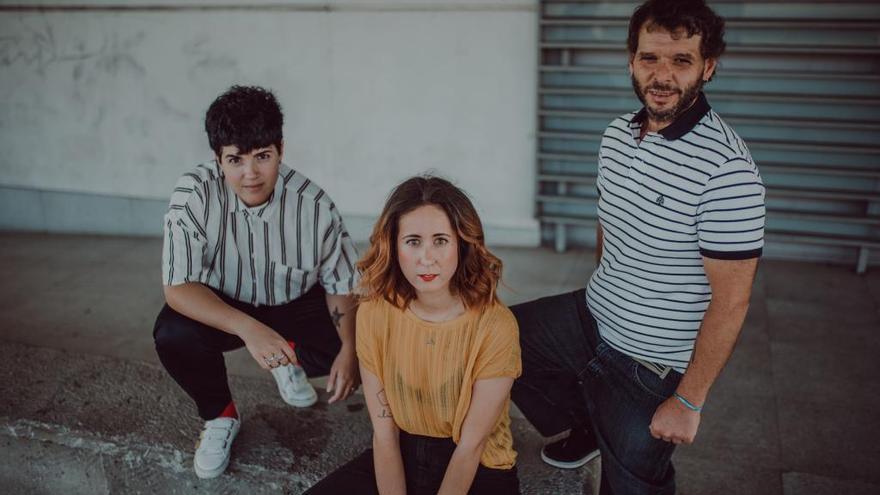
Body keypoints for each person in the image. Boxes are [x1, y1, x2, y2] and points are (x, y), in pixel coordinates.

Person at [511, 0, 765, 493]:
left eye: (681, 60)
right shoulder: (615, 136)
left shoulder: (728, 172)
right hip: (594, 315)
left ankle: (612, 424)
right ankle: (589, 425)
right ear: (631, 60)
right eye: (650, 58)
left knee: (631, 487)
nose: (662, 75)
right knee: (495, 339)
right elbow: (610, 227)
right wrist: (610, 291)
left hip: (650, 363)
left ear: (707, 67)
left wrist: (688, 402)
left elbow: (732, 301)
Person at [153, 85, 361, 479]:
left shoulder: (314, 206)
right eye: (235, 159)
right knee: (173, 333)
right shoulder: (193, 195)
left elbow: (341, 282)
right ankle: (220, 416)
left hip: (295, 303)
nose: (250, 174)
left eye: (262, 157)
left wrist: (350, 348)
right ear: (218, 158)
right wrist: (250, 331)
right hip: (227, 306)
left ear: (280, 149)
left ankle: (289, 357)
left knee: (370, 339)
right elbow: (178, 287)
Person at [306, 176, 522, 494]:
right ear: (393, 246)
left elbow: (471, 447)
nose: (426, 258)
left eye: (440, 240)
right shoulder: (374, 313)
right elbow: (384, 434)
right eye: (413, 241)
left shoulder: (496, 326)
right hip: (402, 451)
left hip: (478, 465)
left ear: (461, 243)